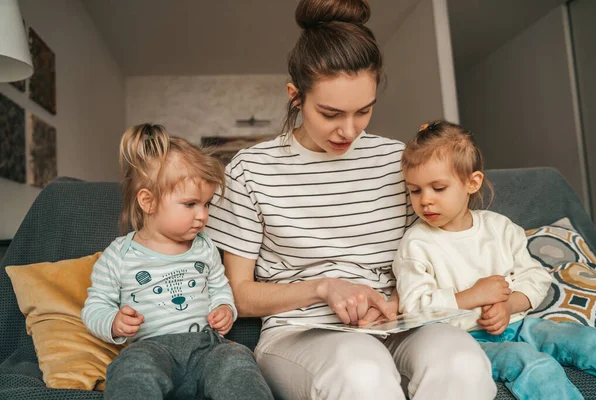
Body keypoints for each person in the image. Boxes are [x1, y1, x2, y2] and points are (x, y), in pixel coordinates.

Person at [205, 1, 497, 399]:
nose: (349, 130)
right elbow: (240, 292)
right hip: (299, 334)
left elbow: (433, 253)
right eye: (330, 113)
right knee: (360, 368)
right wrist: (323, 288)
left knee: (462, 359)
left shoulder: (399, 161)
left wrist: (395, 301)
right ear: (296, 96)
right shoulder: (251, 170)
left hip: (399, 324)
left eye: (363, 111)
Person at [393, 120, 596, 400]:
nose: (425, 200)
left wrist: (510, 304)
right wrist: (471, 296)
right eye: (415, 190)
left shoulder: (499, 228)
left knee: (587, 341)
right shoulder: (416, 244)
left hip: (520, 324)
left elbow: (535, 276)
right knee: (535, 366)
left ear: (472, 182)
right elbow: (414, 308)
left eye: (438, 188)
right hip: (469, 341)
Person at [81, 124, 273, 400]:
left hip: (207, 347)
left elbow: (220, 288)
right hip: (151, 348)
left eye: (207, 204)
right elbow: (95, 306)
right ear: (148, 202)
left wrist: (224, 308)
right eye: (190, 204)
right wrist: (113, 322)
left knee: (235, 358)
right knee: (131, 369)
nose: (203, 215)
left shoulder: (205, 247)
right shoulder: (119, 255)